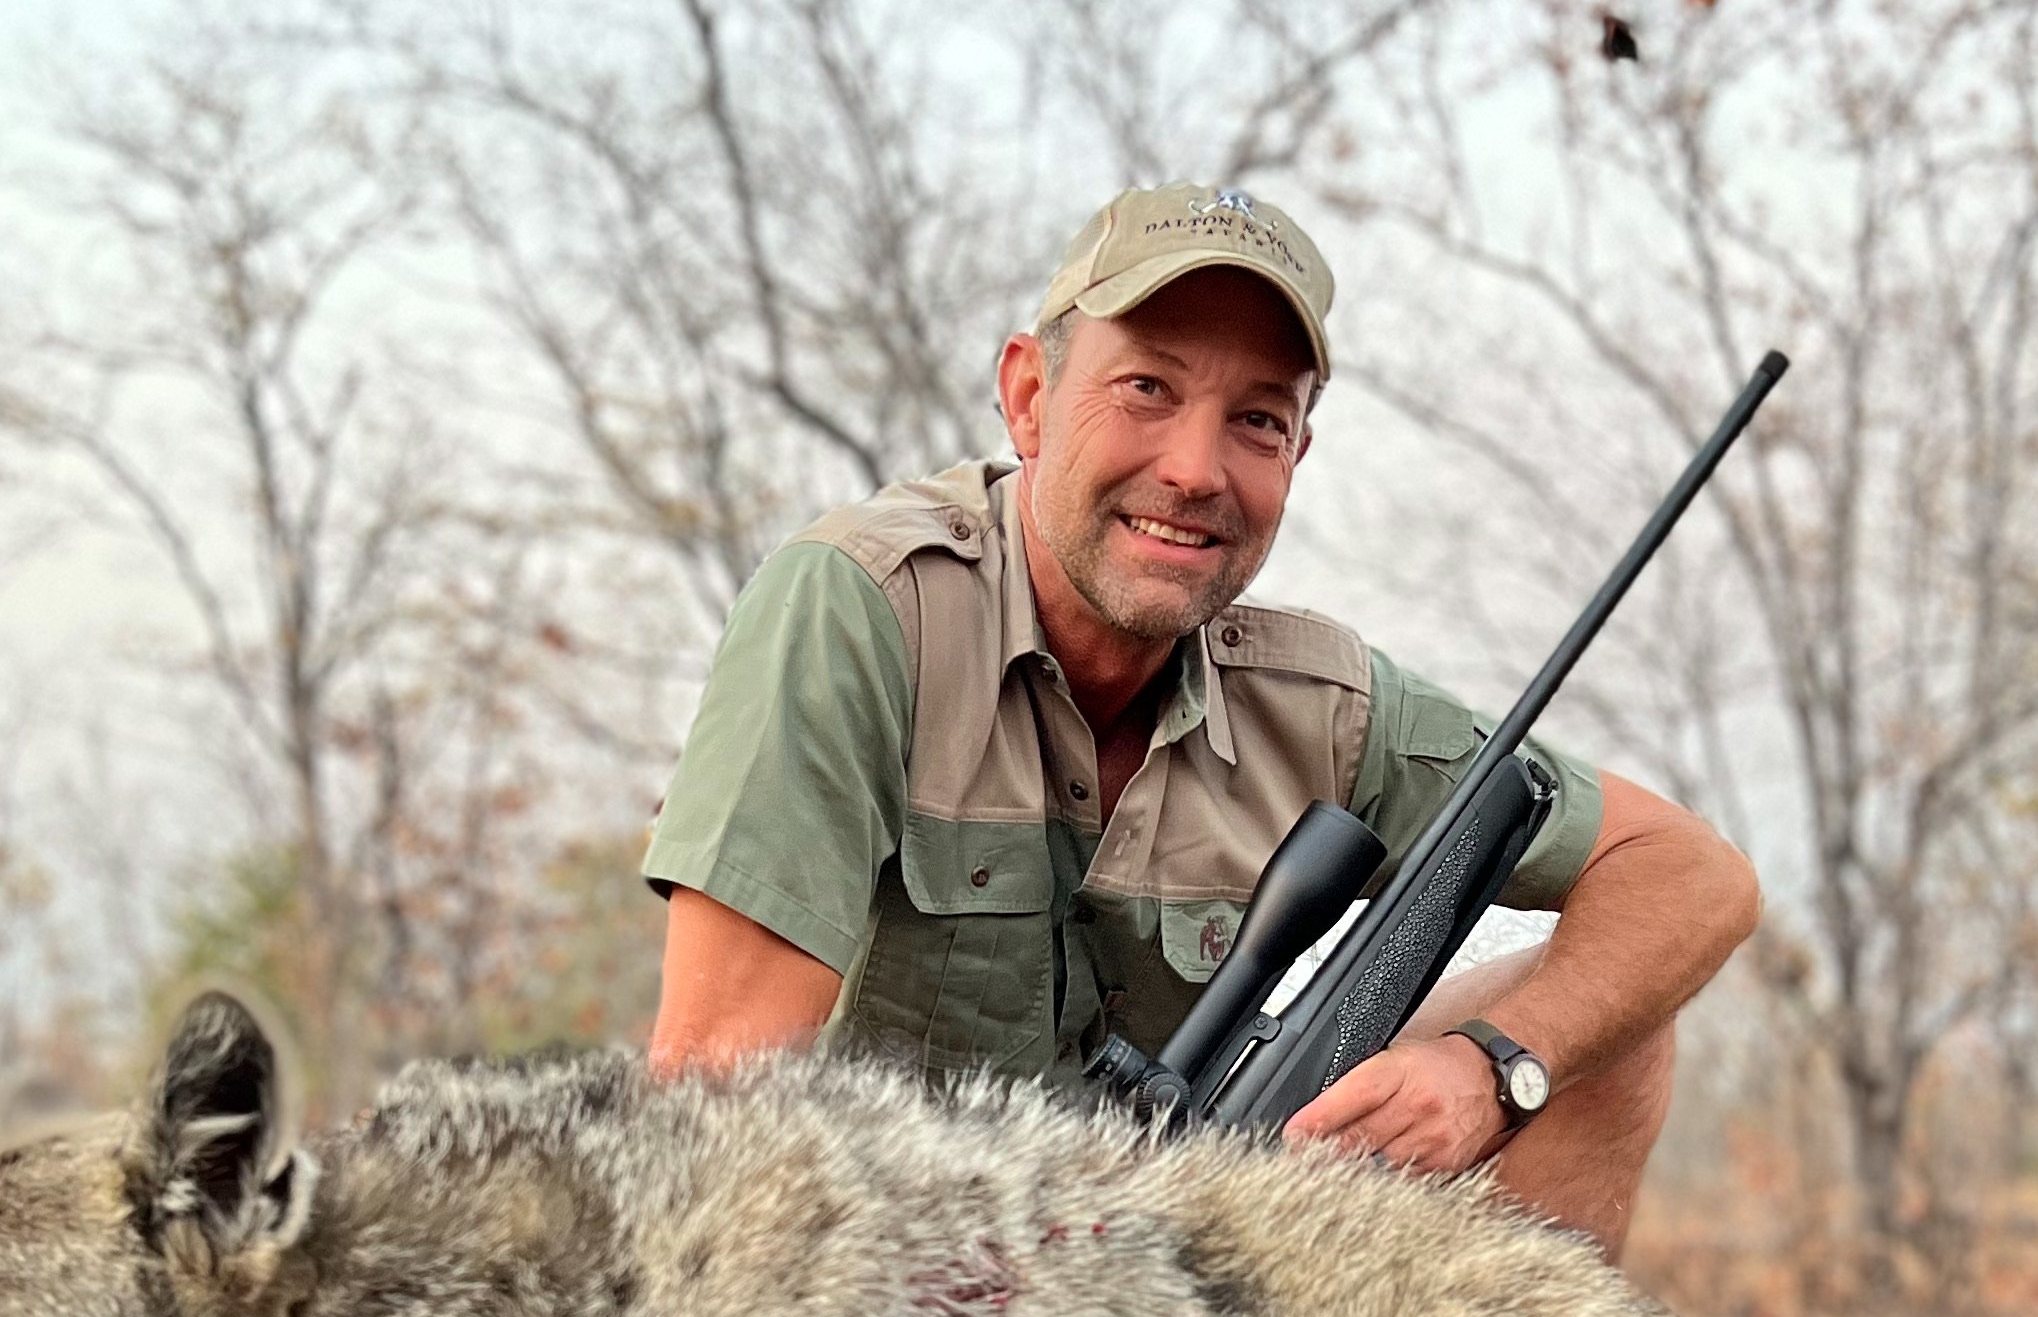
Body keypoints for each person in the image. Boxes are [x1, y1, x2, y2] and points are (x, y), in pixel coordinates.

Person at [640, 182, 1760, 1256]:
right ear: (1029, 397)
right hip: (899, 1261)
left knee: (1604, 1032)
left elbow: (1691, 874)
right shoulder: (862, 610)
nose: (1194, 470)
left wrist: (1491, 1071)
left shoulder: (1317, 698)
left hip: (1186, 1237)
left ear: (1296, 455)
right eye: (1146, 390)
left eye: (1257, 421)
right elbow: (719, 1104)